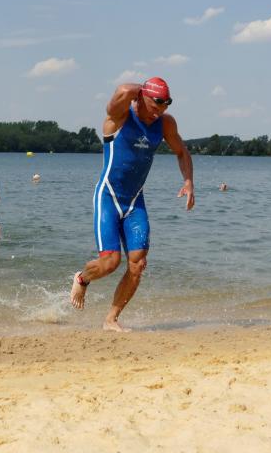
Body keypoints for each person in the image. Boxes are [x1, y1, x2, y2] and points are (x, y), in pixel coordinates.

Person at [70, 77, 194, 332]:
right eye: (155, 105)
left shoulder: (165, 124)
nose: (159, 111)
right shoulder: (120, 117)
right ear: (141, 97)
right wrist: (140, 90)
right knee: (110, 263)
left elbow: (182, 151)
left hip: (135, 201)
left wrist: (188, 181)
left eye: (164, 106)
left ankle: (111, 319)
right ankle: (82, 279)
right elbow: (122, 92)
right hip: (108, 197)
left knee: (137, 265)